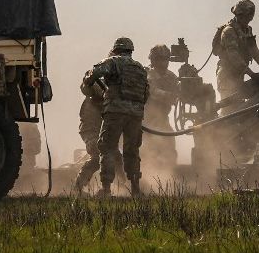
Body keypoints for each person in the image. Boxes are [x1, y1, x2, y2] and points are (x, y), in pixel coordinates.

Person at [82, 36, 150, 196]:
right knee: (132, 150)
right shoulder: (140, 69)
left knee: (107, 148)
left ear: (116, 49)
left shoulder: (113, 61)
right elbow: (146, 94)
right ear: (131, 51)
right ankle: (135, 188)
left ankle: (106, 188)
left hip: (115, 112)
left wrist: (87, 79)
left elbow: (94, 73)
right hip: (136, 115)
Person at [213, 0, 259, 111]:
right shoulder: (229, 31)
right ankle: (219, 129)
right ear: (239, 15)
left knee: (240, 109)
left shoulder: (247, 30)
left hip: (239, 76)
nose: (248, 20)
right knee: (228, 110)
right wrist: (252, 74)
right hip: (227, 75)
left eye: (250, 17)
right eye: (246, 17)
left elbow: (253, 49)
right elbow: (234, 57)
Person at [143, 44, 180, 173]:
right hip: (146, 121)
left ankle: (169, 177)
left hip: (163, 120)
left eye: (166, 59)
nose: (163, 62)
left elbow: (179, 92)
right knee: (146, 151)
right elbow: (152, 91)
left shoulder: (172, 77)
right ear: (152, 60)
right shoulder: (146, 74)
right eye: (160, 59)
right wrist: (170, 95)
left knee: (170, 149)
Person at [73, 66, 107, 192]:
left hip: (104, 131)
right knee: (97, 156)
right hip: (91, 131)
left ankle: (123, 187)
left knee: (117, 158)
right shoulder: (93, 98)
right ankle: (78, 187)